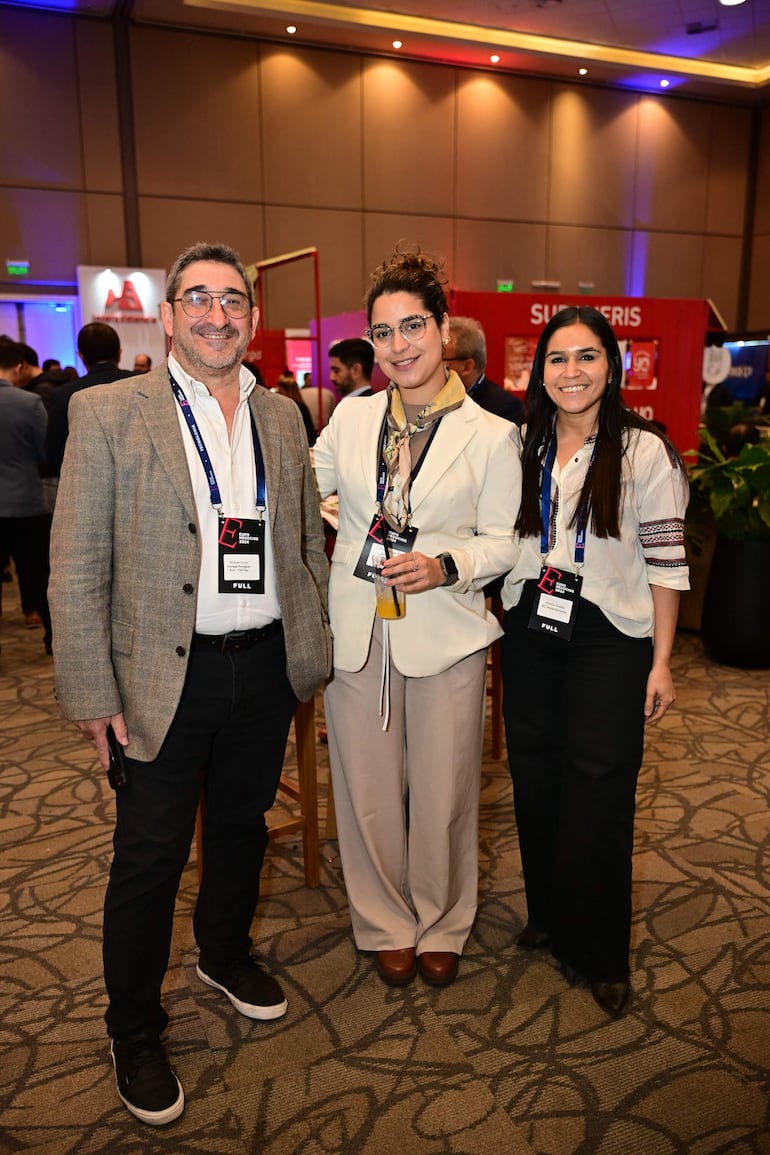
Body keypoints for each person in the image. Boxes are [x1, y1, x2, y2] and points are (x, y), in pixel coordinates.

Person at [48, 241, 331, 1126]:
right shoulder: (107, 413)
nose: (218, 314)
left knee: (243, 826)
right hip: (158, 681)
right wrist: (93, 693)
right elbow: (74, 566)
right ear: (167, 315)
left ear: (252, 315)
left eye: (234, 300)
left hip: (263, 666)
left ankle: (222, 950)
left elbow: (301, 542)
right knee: (150, 856)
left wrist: (308, 647)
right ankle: (133, 1026)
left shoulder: (283, 415)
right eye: (198, 299)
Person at [313, 246, 520, 990]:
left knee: (444, 790)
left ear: (442, 329)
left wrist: (446, 565)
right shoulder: (352, 416)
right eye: (383, 332)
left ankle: (442, 919)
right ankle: (383, 919)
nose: (398, 346)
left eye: (412, 327)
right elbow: (312, 484)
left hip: (447, 628)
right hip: (359, 627)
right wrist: (330, 507)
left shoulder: (492, 433)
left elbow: (504, 540)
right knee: (364, 789)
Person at [500, 305, 689, 1019]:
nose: (570, 371)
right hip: (532, 624)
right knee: (536, 772)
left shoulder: (645, 451)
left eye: (586, 357)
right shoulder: (523, 443)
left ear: (611, 366)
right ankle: (548, 912)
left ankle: (603, 950)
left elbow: (668, 567)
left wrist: (662, 660)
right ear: (538, 369)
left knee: (601, 786)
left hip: (611, 636)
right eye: (556, 358)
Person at [0, 341, 53, 655]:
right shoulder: (29, 402)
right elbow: (44, 449)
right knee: (37, 571)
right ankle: (50, 638)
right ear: (19, 367)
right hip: (27, 501)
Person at [46, 322, 135, 475]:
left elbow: (55, 451)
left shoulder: (64, 394)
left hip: (85, 478)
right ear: (119, 353)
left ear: (81, 356)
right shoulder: (143, 384)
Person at [443, 316, 523, 423]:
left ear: (467, 367)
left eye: (440, 358)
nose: (431, 365)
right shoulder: (429, 400)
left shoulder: (505, 410)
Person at [272, 371, 317, 445]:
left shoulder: (290, 407)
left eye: (280, 392)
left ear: (286, 392)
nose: (277, 395)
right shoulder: (301, 406)